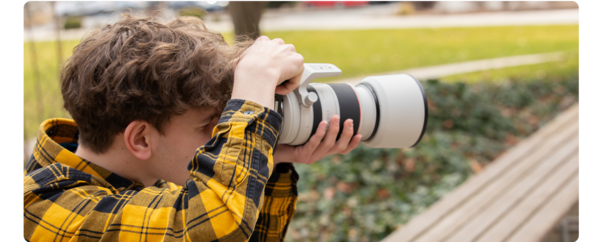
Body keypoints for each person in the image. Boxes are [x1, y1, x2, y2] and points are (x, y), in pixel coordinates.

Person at [23, 14, 361, 242]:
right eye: (208, 126)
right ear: (141, 139)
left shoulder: (154, 176)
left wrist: (266, 160)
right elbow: (214, 226)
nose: (219, 138)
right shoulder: (41, 210)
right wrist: (252, 95)